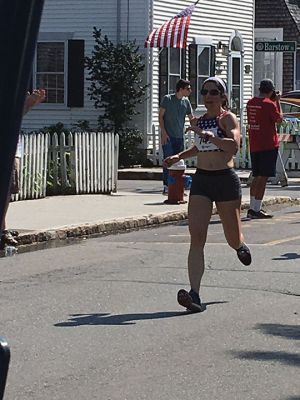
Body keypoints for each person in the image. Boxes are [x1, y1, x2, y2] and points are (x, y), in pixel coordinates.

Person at [163, 77, 251, 313]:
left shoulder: (228, 118)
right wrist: (179, 156)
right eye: (205, 92)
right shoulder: (200, 120)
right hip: (202, 180)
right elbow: (200, 148)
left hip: (225, 180)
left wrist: (207, 135)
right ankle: (195, 295)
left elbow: (233, 146)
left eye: (214, 92)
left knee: (231, 237)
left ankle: (240, 245)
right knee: (197, 236)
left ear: (223, 96)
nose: (208, 96)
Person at [0, 89, 46, 249]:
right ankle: (2, 230)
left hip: (13, 147)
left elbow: (14, 117)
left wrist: (30, 104)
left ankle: (2, 228)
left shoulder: (16, 83)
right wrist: (28, 103)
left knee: (7, 190)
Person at [246, 79, 283, 219]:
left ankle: (252, 207)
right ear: (271, 91)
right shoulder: (269, 104)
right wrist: (277, 101)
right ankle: (256, 208)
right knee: (263, 177)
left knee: (256, 176)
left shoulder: (250, 103)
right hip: (268, 144)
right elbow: (279, 119)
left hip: (255, 144)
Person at [159, 79, 194, 195]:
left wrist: (195, 126)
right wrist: (163, 132)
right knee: (168, 160)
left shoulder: (186, 102)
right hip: (168, 136)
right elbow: (160, 116)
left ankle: (178, 186)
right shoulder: (168, 99)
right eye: (188, 89)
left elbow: (191, 118)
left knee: (179, 161)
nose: (190, 91)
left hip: (180, 136)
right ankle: (166, 185)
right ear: (181, 89)